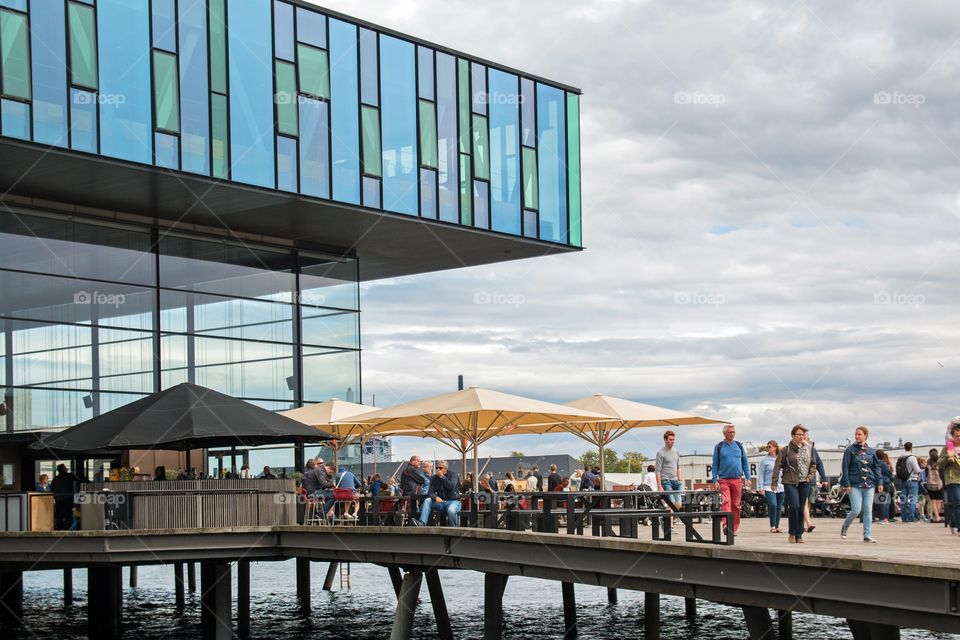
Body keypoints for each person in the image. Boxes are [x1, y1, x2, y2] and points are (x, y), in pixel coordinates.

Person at [771, 425, 817, 543]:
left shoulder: (808, 448)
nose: (801, 436)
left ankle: (799, 534)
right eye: (798, 434)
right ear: (793, 435)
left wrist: (810, 476)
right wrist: (774, 481)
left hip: (804, 481)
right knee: (794, 506)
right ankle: (792, 532)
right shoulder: (785, 450)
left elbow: (813, 464)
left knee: (801, 508)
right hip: (790, 481)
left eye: (803, 434)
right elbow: (777, 466)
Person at [839, 425, 884, 543]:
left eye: (859, 434)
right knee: (856, 510)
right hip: (854, 484)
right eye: (856, 434)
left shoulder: (871, 451)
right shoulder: (850, 450)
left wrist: (880, 481)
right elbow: (845, 468)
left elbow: (876, 467)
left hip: (869, 484)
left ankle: (867, 535)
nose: (857, 436)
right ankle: (845, 527)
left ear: (865, 436)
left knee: (868, 510)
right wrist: (847, 483)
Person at [711, 424, 751, 535]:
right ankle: (726, 524)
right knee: (726, 502)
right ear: (724, 433)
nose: (732, 434)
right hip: (723, 480)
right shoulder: (719, 447)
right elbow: (715, 465)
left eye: (733, 432)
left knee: (736, 505)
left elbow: (745, 462)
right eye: (730, 432)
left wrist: (748, 477)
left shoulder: (738, 446)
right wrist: (715, 480)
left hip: (737, 479)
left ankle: (733, 528)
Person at [416, 461, 461, 527]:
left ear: (445, 468)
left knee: (451, 511)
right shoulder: (434, 478)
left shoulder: (453, 475)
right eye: (437, 468)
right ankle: (422, 523)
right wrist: (435, 497)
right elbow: (430, 492)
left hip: (453, 501)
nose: (438, 469)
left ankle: (454, 529)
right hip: (441, 502)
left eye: (440, 468)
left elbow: (451, 487)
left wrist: (442, 477)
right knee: (428, 500)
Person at [656, 430, 683, 528]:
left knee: (678, 504)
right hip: (666, 480)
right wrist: (659, 486)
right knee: (670, 503)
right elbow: (658, 471)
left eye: (673, 440)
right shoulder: (660, 453)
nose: (672, 441)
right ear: (665, 440)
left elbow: (678, 466)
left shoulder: (676, 452)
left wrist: (680, 479)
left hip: (675, 480)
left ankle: (664, 519)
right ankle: (669, 526)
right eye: (670, 439)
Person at [801, 432, 828, 533]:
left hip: (811, 481)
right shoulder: (796, 450)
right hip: (801, 481)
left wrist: (824, 478)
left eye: (806, 436)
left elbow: (819, 464)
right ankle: (809, 523)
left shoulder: (813, 451)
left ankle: (803, 524)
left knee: (808, 503)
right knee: (804, 502)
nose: (804, 437)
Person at [937, 424, 960, 534]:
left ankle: (952, 522)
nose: (959, 438)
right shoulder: (947, 447)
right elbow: (939, 464)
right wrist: (948, 458)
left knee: (958, 505)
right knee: (958, 503)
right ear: (952, 436)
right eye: (956, 436)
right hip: (953, 479)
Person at [758, 440, 784, 533]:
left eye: (770, 447)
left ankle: (777, 526)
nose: (768, 448)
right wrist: (760, 487)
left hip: (780, 485)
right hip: (768, 485)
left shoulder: (780, 458)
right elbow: (761, 474)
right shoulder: (764, 460)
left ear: (775, 447)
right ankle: (772, 525)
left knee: (779, 506)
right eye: (767, 447)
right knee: (773, 504)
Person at [51, 464, 79, 530]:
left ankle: (60, 528)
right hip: (68, 498)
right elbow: (78, 479)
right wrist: (71, 472)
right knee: (68, 514)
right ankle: (68, 528)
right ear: (65, 469)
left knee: (59, 514)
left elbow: (52, 489)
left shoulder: (55, 479)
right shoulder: (69, 475)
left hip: (58, 499)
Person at [875, 451, 895, 524]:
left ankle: (879, 517)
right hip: (885, 483)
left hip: (876, 483)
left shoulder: (874, 463)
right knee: (885, 502)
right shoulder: (883, 463)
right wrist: (891, 478)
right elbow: (888, 472)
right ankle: (884, 518)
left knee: (878, 501)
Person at [926, 448, 944, 522]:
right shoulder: (940, 463)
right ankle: (938, 517)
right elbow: (943, 474)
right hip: (939, 485)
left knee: (933, 501)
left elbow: (926, 475)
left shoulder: (928, 464)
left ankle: (936, 517)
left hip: (930, 485)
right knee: (939, 501)